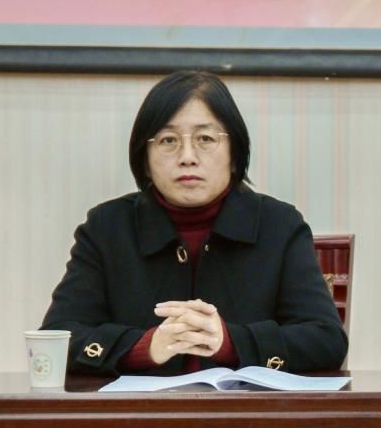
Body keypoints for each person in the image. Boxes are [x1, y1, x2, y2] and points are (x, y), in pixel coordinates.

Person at [41, 71, 347, 375]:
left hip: (247, 407)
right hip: (141, 407)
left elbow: (327, 340)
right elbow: (57, 338)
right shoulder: (106, 228)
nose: (187, 157)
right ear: (145, 160)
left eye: (205, 139)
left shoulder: (279, 226)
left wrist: (231, 342)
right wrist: (143, 346)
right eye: (168, 140)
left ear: (235, 155)